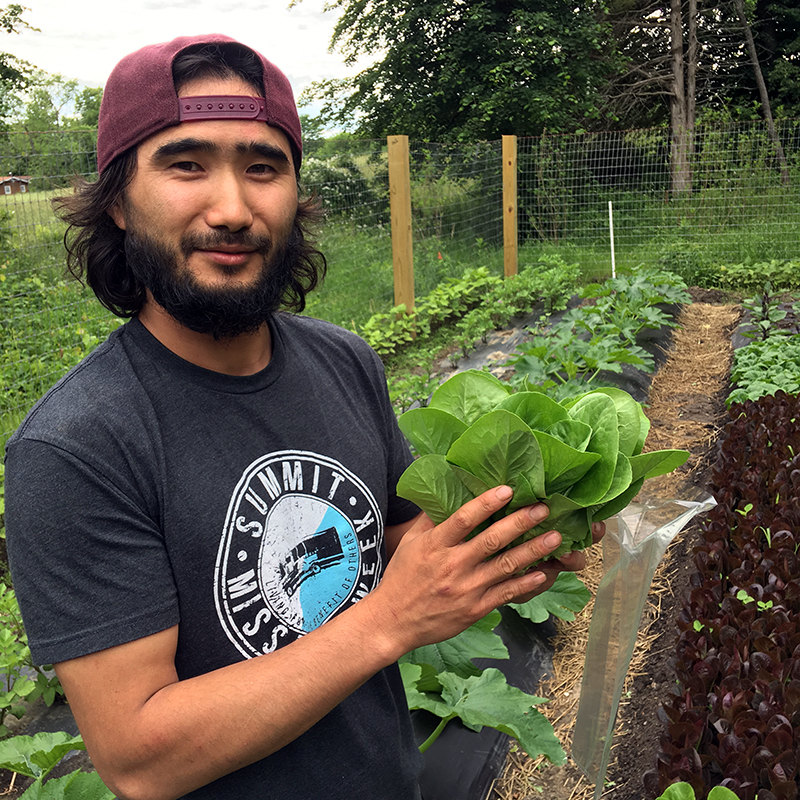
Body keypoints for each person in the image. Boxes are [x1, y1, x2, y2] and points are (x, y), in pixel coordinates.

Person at [3, 34, 601, 800]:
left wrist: (507, 540)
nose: (233, 208)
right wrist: (390, 622)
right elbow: (138, 757)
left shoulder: (342, 360)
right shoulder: (76, 445)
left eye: (263, 167)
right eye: (186, 165)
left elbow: (381, 546)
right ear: (117, 201)